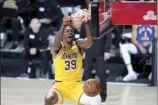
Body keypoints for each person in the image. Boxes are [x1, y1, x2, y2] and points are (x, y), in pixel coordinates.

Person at [44, 16, 101, 105]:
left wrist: (86, 24)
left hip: (76, 86)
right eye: (67, 31)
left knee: (96, 100)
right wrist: (63, 25)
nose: (70, 32)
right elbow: (55, 45)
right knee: (49, 97)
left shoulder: (78, 45)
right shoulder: (57, 48)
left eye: (71, 31)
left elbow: (90, 42)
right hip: (60, 86)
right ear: (62, 34)